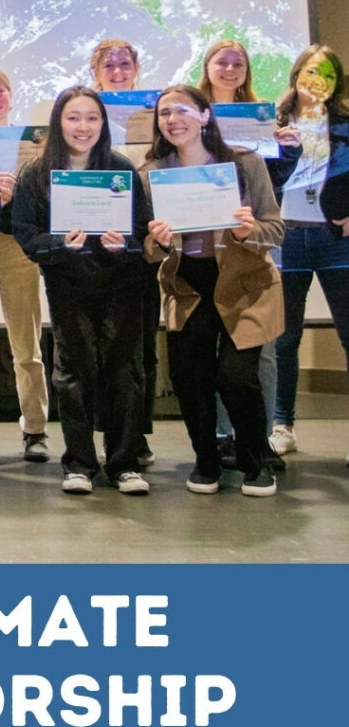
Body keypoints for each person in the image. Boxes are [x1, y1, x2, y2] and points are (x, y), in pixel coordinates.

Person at [142, 84, 284, 496]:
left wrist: (248, 229)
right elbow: (147, 248)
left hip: (245, 286)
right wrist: (161, 241)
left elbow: (275, 230)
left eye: (183, 110)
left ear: (205, 115)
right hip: (189, 286)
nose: (173, 120)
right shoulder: (152, 173)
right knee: (190, 378)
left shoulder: (244, 164)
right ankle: (206, 461)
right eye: (165, 114)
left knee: (238, 377)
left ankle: (256, 461)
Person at [13, 86, 151, 495]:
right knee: (72, 371)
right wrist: (59, 243)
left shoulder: (121, 168)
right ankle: (78, 463)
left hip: (121, 281)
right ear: (58, 122)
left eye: (92, 117)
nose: (83, 126)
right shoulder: (37, 174)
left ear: (103, 124)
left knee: (125, 369)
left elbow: (142, 232)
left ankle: (124, 463)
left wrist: (123, 243)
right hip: (67, 281)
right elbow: (26, 234)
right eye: (73, 117)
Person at [196, 38, 301, 466]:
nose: (230, 69)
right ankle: (224, 435)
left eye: (238, 63)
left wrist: (287, 150)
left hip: (252, 238)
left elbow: (272, 185)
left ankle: (256, 436)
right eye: (222, 61)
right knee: (216, 348)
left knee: (262, 344)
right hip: (205, 241)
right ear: (207, 66)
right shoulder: (190, 112)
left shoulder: (264, 117)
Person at [0, 66, 50, 465]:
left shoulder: (34, 141)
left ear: (11, 94)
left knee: (26, 345)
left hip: (17, 246)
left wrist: (18, 193)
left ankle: (35, 429)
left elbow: (45, 198)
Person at [271, 45, 349, 458]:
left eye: (329, 75)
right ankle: (282, 424)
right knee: (284, 338)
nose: (319, 80)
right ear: (297, 73)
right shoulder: (275, 121)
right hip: (287, 238)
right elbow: (261, 176)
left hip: (337, 239)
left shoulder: (347, 123)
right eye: (312, 71)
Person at [89, 38, 158, 468]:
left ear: (136, 68)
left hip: (139, 240)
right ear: (95, 71)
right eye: (108, 64)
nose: (117, 70)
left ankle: (137, 436)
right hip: (88, 245)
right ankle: (100, 433)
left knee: (140, 348)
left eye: (124, 63)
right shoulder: (80, 113)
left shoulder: (155, 115)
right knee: (91, 349)